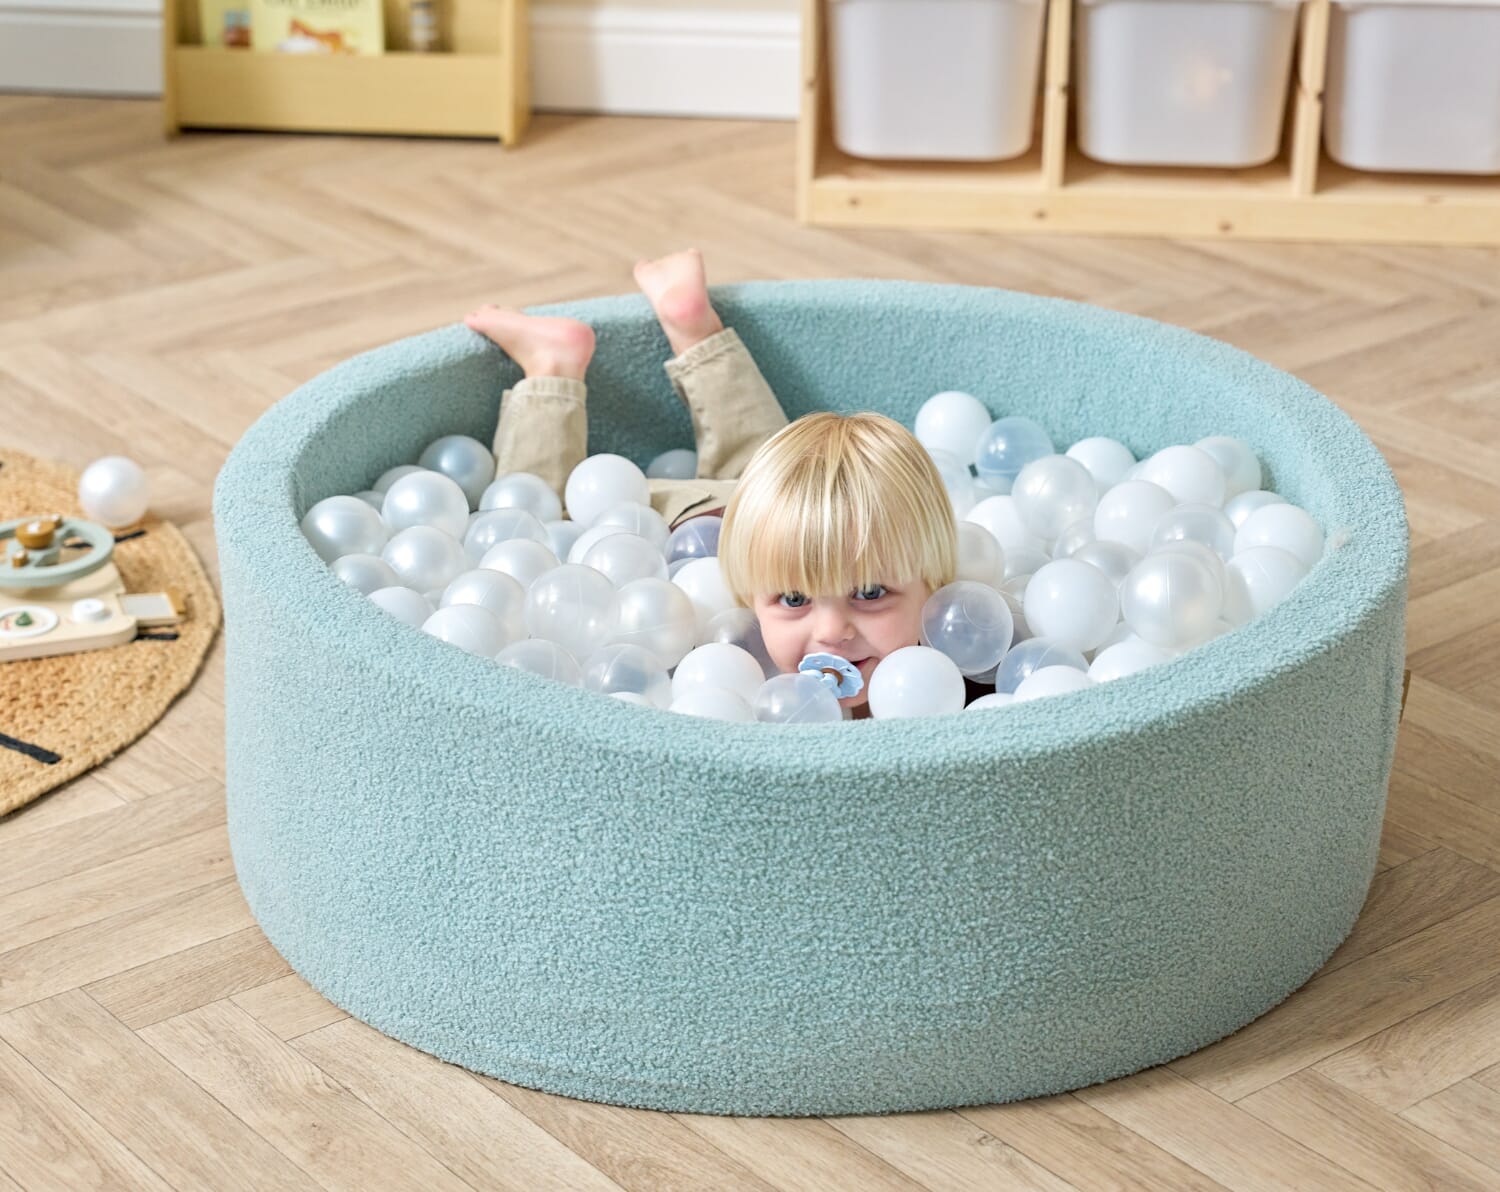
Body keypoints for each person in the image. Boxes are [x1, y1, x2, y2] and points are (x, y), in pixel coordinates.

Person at [465, 249, 956, 717]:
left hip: (763, 516)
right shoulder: (709, 654)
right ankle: (552, 367)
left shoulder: (961, 648)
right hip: (692, 523)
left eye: (869, 592)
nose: (832, 632)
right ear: (747, 595)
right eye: (793, 600)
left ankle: (694, 326)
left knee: (754, 454)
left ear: (935, 580)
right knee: (545, 526)